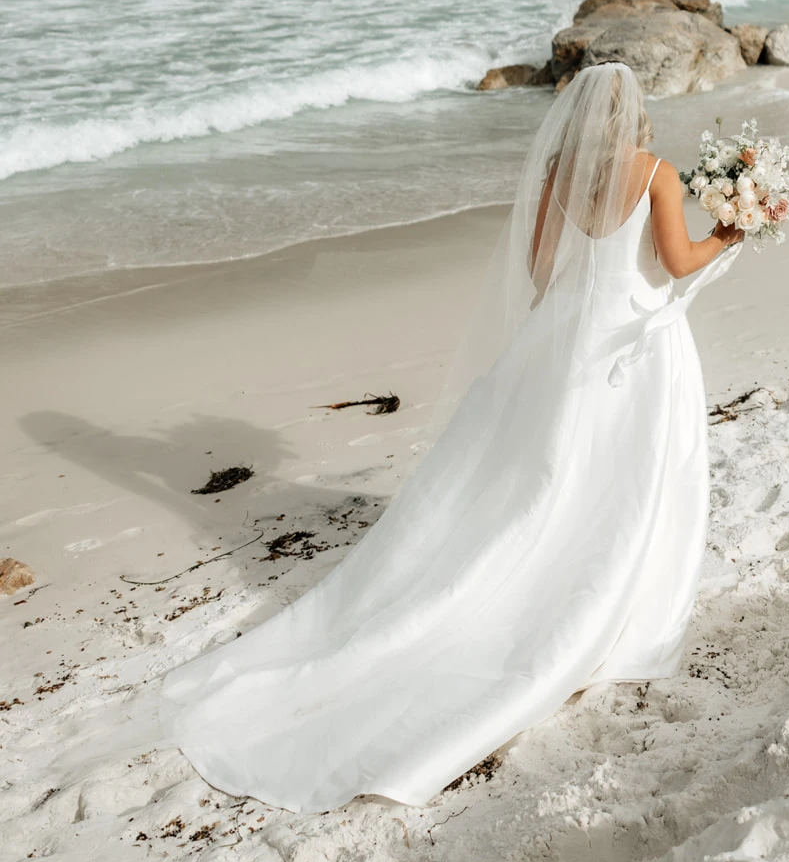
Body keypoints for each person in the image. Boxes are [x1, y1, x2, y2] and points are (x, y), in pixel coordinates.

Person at [160, 62, 744, 811]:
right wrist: (730, 232)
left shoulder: (561, 173)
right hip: (632, 340)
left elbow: (538, 272)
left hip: (565, 337)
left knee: (546, 469)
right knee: (629, 472)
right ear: (632, 114)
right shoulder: (657, 172)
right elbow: (676, 262)